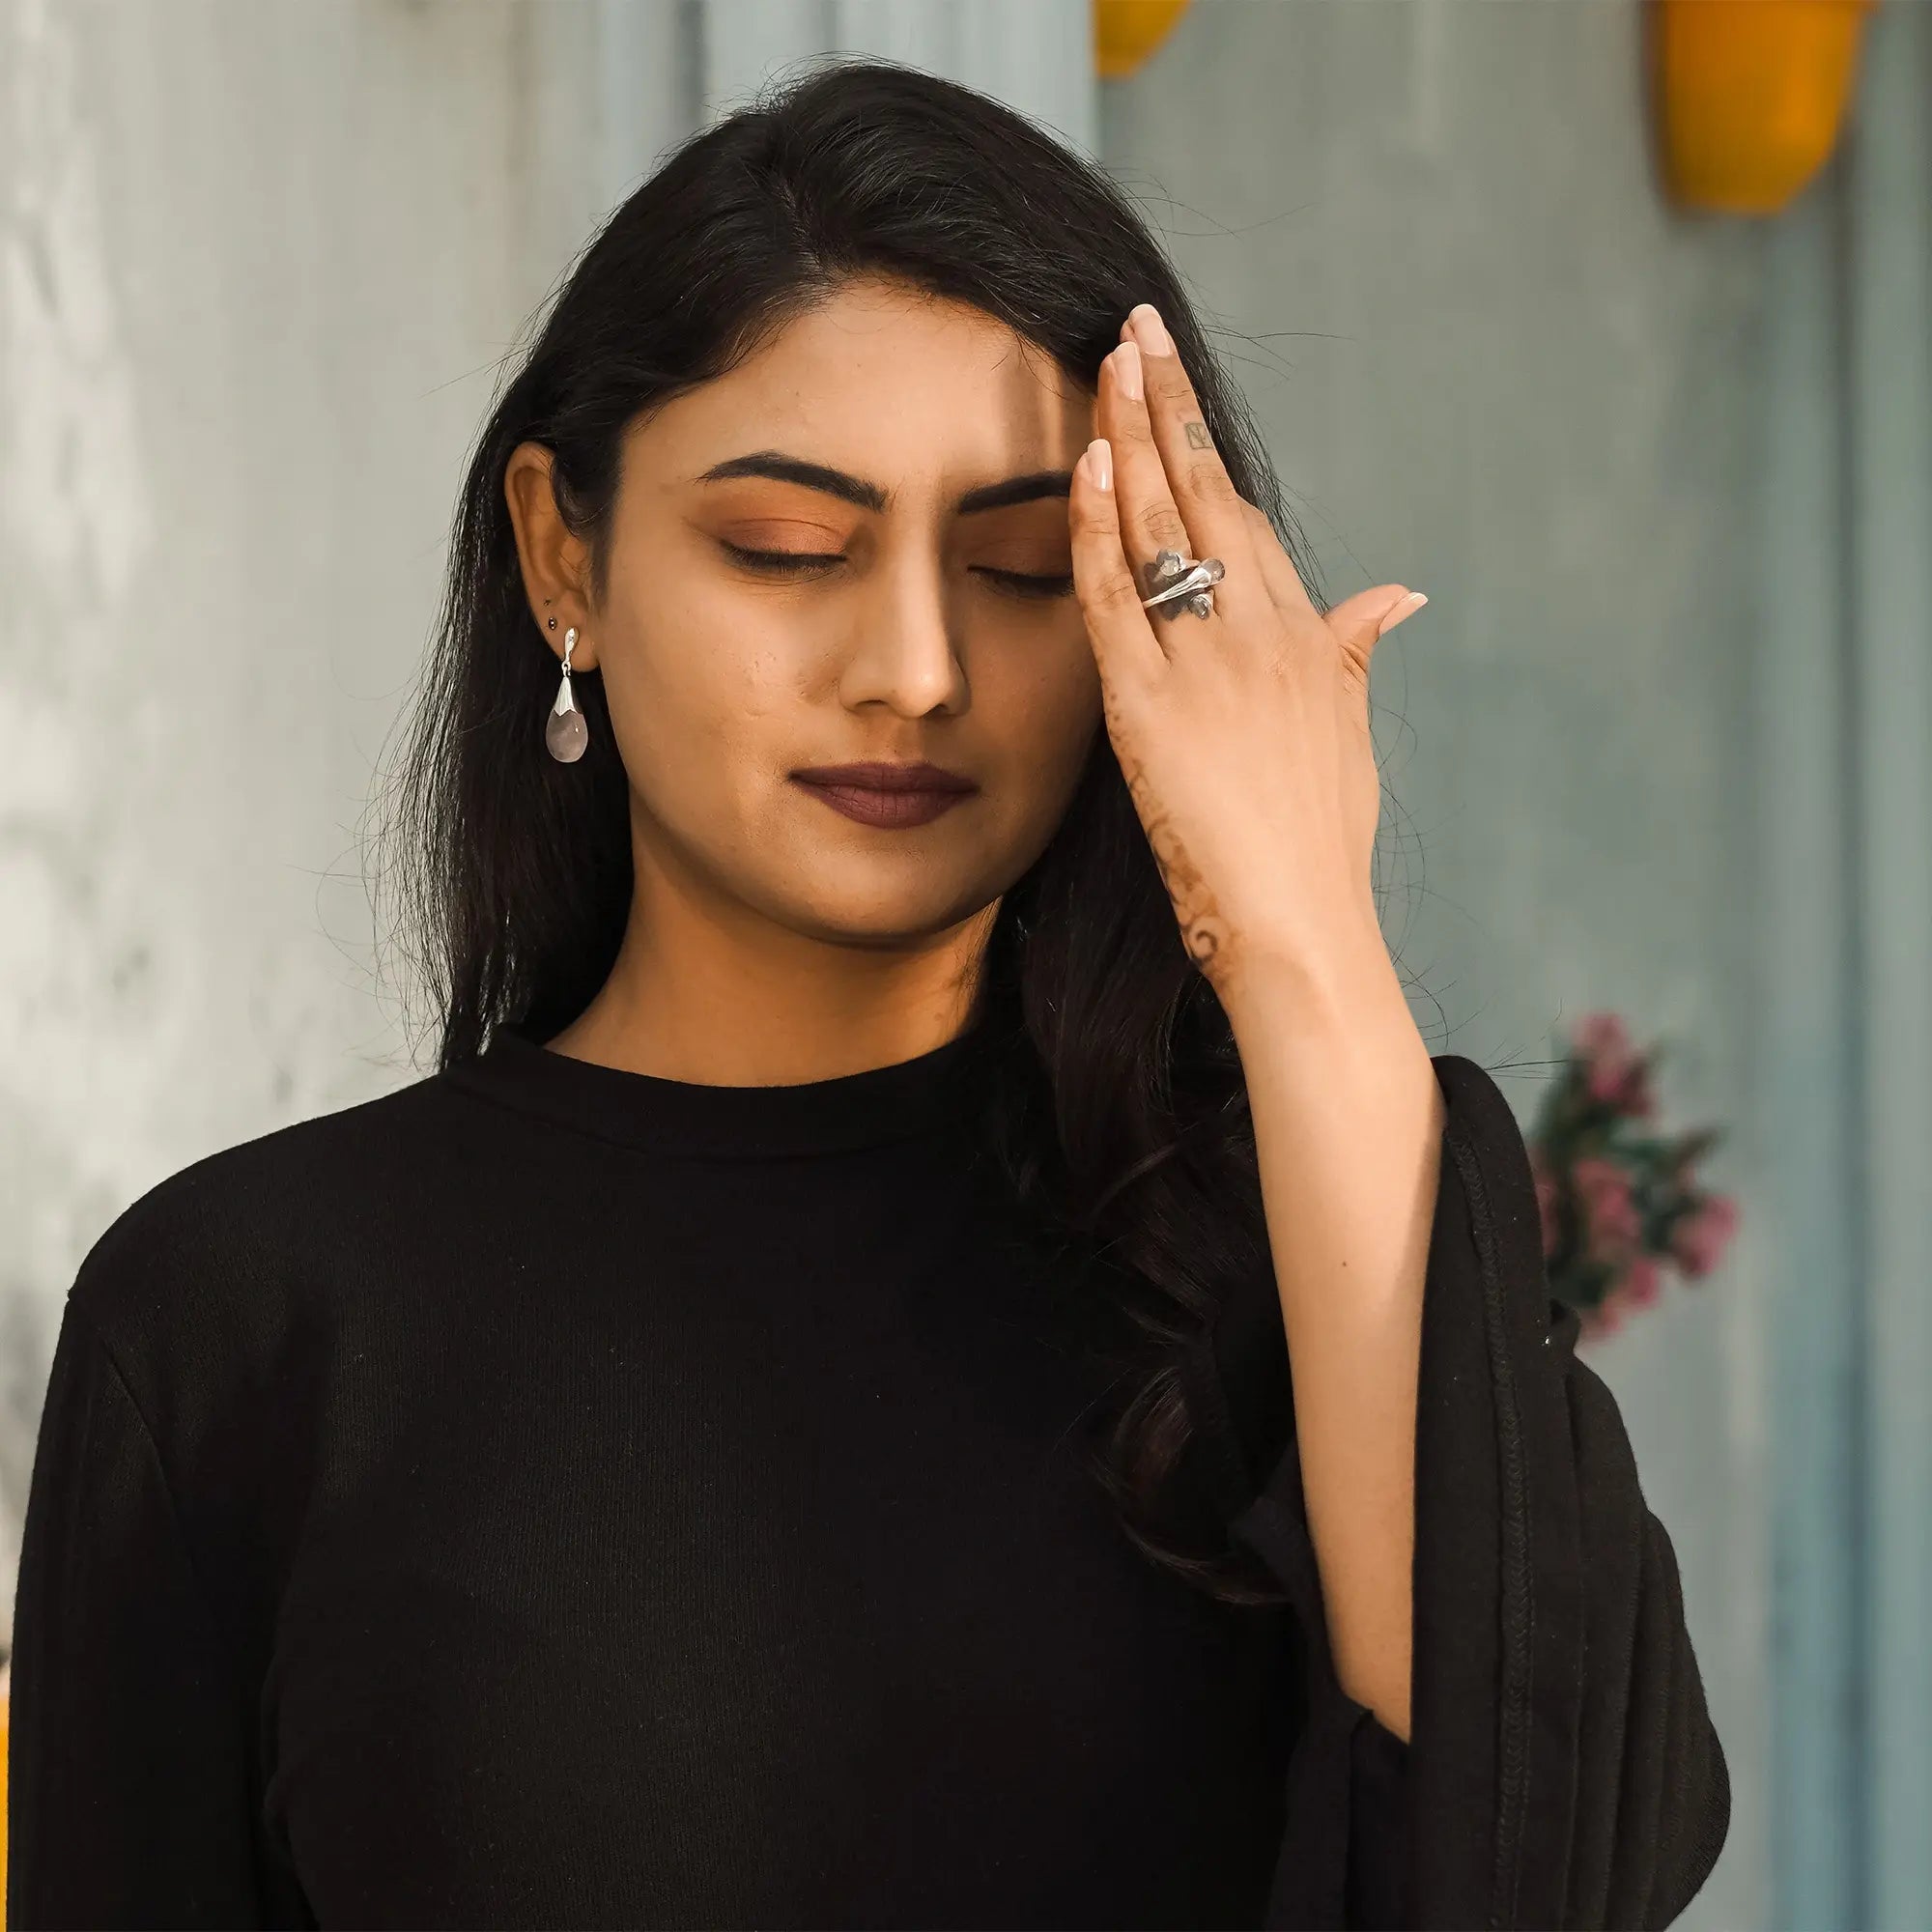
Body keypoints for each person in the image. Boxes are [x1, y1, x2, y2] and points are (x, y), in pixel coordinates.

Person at [6, 57, 1727, 1932]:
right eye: (789, 550)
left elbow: (1542, 1881)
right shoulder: (245, 1320)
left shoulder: (1276, 1271)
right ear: (561, 551)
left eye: (1013, 568)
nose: (912, 665)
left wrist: (1301, 940)